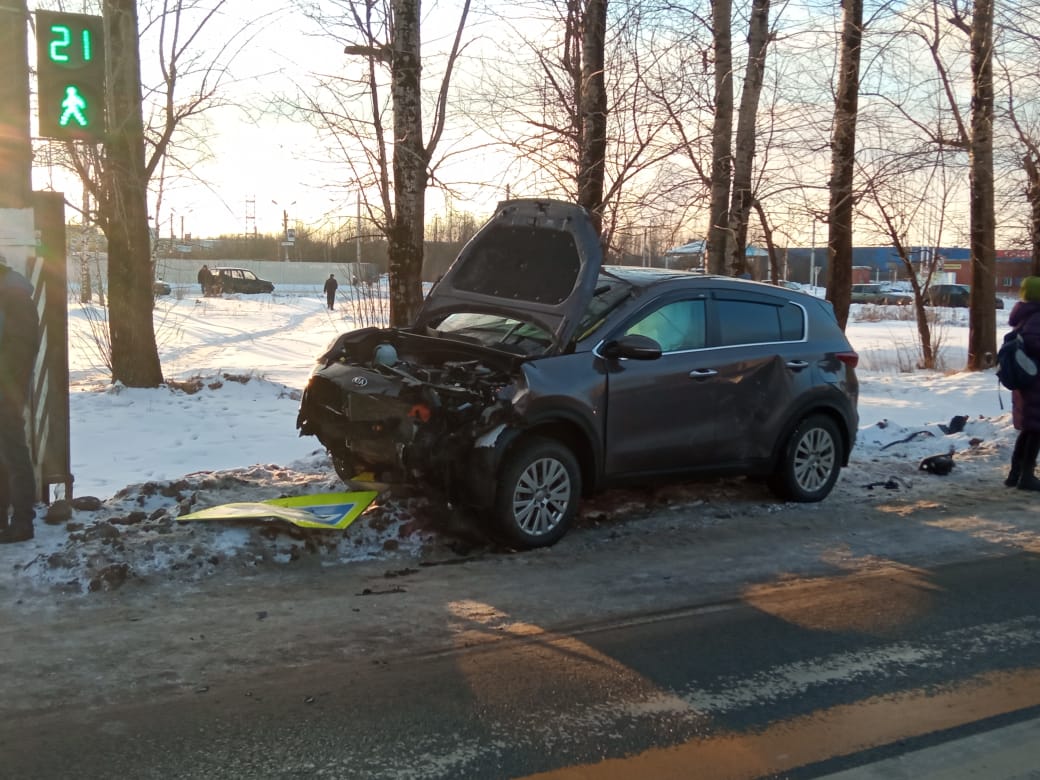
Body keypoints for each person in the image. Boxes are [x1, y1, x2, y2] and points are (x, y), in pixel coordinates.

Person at [0, 258, 41, 543]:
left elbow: (21, 349)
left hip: (6, 390)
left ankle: (23, 520)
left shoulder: (14, 297)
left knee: (13, 453)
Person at [1006, 275, 1040, 490]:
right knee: (1036, 429)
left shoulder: (1025, 314)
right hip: (1036, 381)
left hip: (1028, 378)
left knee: (1030, 428)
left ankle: (1016, 473)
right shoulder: (1037, 316)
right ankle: (1026, 476)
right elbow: (1035, 344)